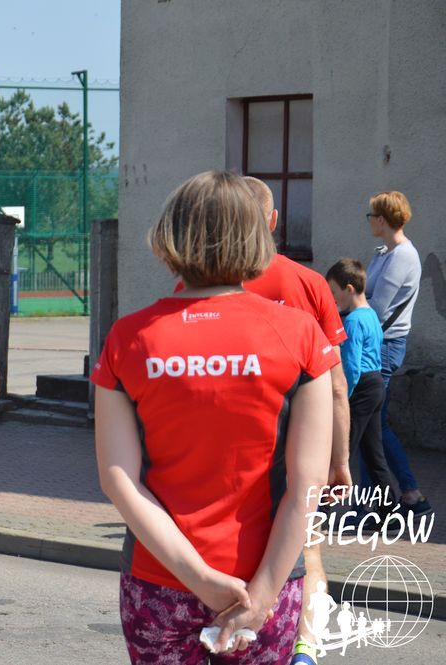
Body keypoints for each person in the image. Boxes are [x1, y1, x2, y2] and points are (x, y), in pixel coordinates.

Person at [92, 171, 335, 663]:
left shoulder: (129, 337)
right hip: (266, 578)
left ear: (170, 234)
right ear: (257, 235)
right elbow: (308, 485)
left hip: (159, 580)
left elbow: (119, 479)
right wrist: (263, 593)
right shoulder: (300, 334)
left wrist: (199, 578)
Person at [235, 178, 351, 665]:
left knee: (238, 550)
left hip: (237, 449)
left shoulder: (203, 285)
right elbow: (337, 386)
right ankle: (304, 648)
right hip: (300, 445)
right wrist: (339, 461)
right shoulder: (308, 283)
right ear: (273, 220)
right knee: (309, 551)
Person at [363, 191, 429, 516]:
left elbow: (376, 308)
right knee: (372, 424)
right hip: (378, 343)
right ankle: (407, 494)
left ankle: (382, 502)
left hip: (385, 345)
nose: (368, 221)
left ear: (382, 220)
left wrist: (342, 311)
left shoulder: (402, 256)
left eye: (371, 215)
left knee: (371, 423)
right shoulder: (384, 253)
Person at [325, 259, 398, 509]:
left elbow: (352, 366)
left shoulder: (353, 321)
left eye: (334, 292)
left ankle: (320, 511)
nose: (332, 299)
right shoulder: (371, 315)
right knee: (373, 454)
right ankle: (389, 511)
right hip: (375, 384)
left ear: (349, 289)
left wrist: (343, 398)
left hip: (360, 387)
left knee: (340, 450)